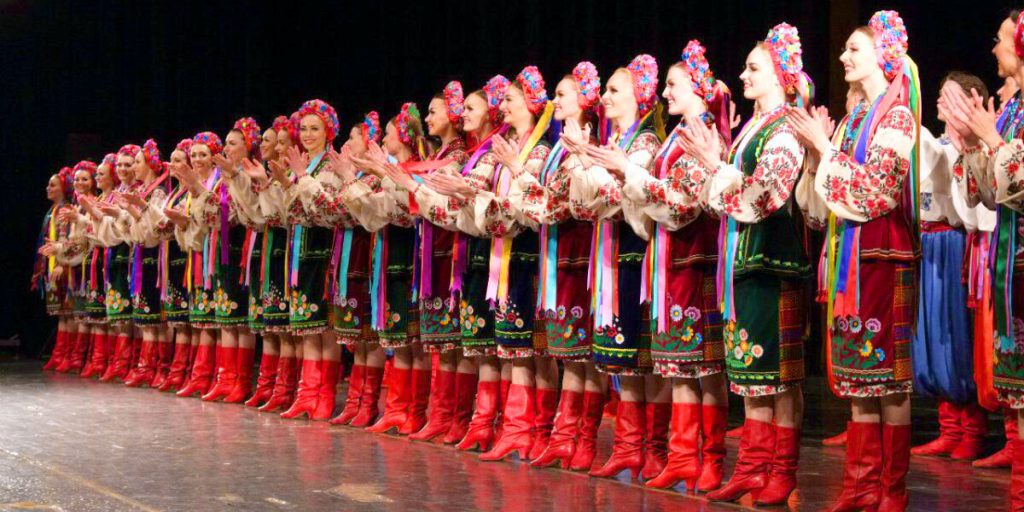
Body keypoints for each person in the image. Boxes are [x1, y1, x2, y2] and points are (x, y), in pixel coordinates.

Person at [680, 22, 811, 505]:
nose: (742, 74)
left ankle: (783, 469)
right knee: (751, 373)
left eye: (753, 67)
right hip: (745, 264)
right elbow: (727, 200)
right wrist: (715, 172)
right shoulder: (751, 128)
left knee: (779, 375)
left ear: (780, 74)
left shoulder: (786, 127)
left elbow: (766, 194)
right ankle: (753, 466)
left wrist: (718, 167)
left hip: (775, 263)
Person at [620, 40, 732, 492]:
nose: (665, 93)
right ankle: (683, 455)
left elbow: (684, 203)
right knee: (678, 364)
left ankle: (713, 457)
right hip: (669, 260)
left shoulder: (707, 134)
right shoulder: (675, 135)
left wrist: (632, 175)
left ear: (698, 89)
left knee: (706, 366)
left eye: (673, 84)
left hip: (697, 260)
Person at [941, 9, 1024, 510]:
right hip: (1010, 261)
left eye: (999, 40)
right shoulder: (1012, 111)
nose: (993, 49)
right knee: (1018, 382)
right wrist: (971, 147)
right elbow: (990, 196)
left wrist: (991, 143)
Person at [571, 54, 667, 480]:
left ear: (638, 97)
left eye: (614, 90)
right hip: (611, 254)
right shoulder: (617, 142)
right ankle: (629, 446)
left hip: (636, 254)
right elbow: (586, 202)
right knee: (623, 356)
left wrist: (594, 166)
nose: (605, 97)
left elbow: (623, 195)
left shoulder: (645, 143)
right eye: (606, 89)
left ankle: (655, 448)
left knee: (644, 357)